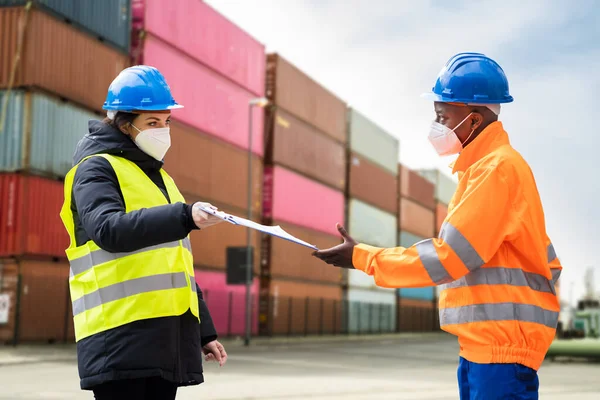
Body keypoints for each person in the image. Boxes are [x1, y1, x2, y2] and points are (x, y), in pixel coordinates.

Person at [313, 52, 562, 400]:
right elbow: (547, 263)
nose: (437, 125)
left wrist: (363, 257)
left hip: (501, 355)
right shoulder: (485, 171)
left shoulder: (496, 170)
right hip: (486, 349)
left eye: (443, 116)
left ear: (473, 120)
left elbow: (447, 259)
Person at [59, 65, 228, 400]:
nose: (163, 131)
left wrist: (202, 331)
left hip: (165, 338)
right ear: (124, 124)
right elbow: (107, 229)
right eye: (152, 123)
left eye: (166, 122)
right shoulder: (95, 168)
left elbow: (175, 265)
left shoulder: (163, 180)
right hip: (119, 338)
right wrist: (184, 216)